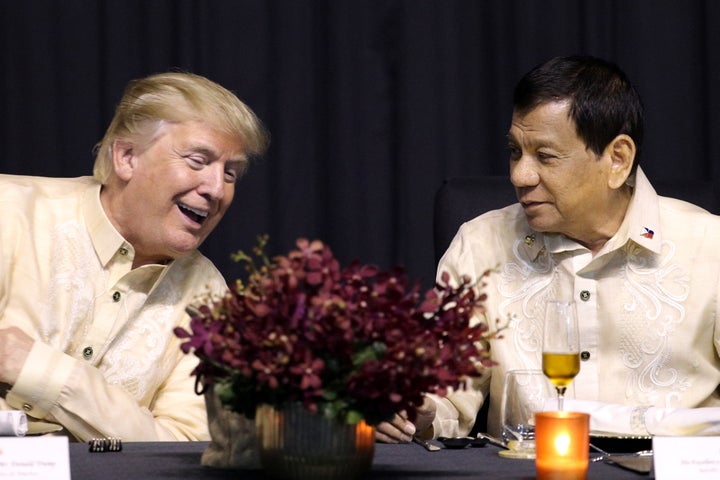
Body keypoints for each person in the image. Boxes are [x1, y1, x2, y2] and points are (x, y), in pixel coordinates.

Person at [376, 54, 720, 443]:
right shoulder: (480, 246)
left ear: (617, 159)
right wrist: (414, 411)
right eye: (514, 152)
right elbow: (444, 400)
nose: (519, 175)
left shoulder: (710, 247)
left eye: (545, 156)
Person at [0, 72, 269, 441]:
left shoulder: (208, 296)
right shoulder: (9, 213)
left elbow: (185, 450)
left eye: (231, 172)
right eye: (197, 160)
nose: (216, 188)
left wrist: (38, 370)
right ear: (127, 157)